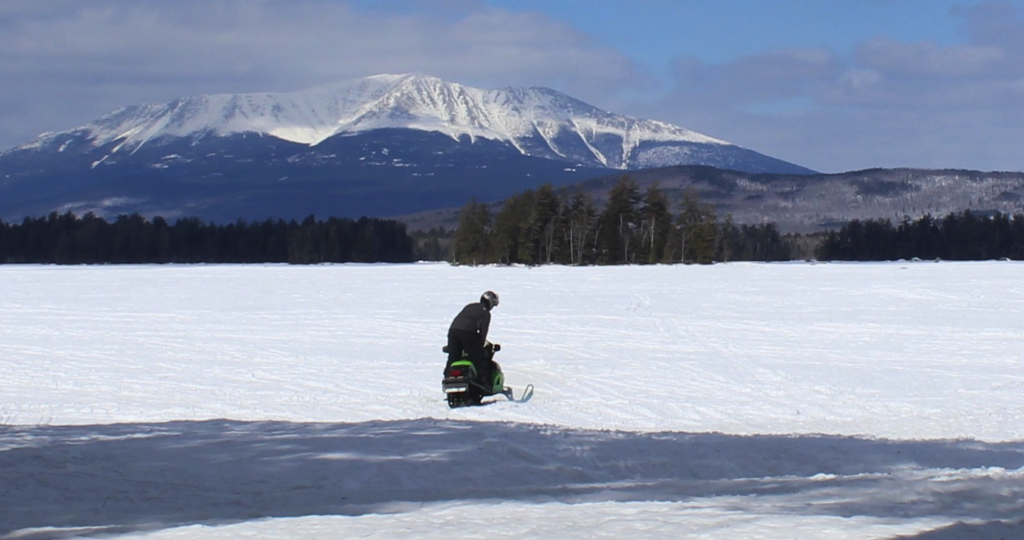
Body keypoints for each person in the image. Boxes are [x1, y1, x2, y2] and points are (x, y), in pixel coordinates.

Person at [447, 291, 499, 392]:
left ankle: (447, 377)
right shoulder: (485, 313)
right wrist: (480, 344)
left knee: (453, 357)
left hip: (453, 331)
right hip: (468, 332)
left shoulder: (470, 306)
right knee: (479, 358)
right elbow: (483, 332)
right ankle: (486, 383)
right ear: (490, 302)